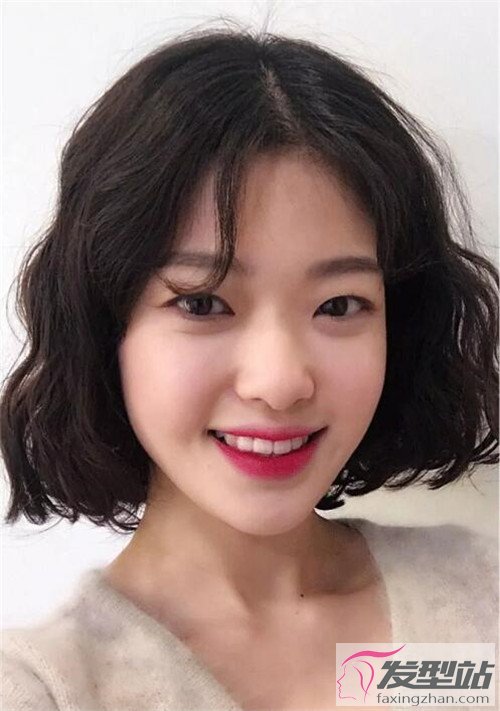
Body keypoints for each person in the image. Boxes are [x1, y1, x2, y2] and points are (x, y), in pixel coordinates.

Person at [1, 24, 498, 711]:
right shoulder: (48, 689)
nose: (280, 381)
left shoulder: (479, 599)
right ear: (104, 327)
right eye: (203, 302)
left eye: (339, 304)